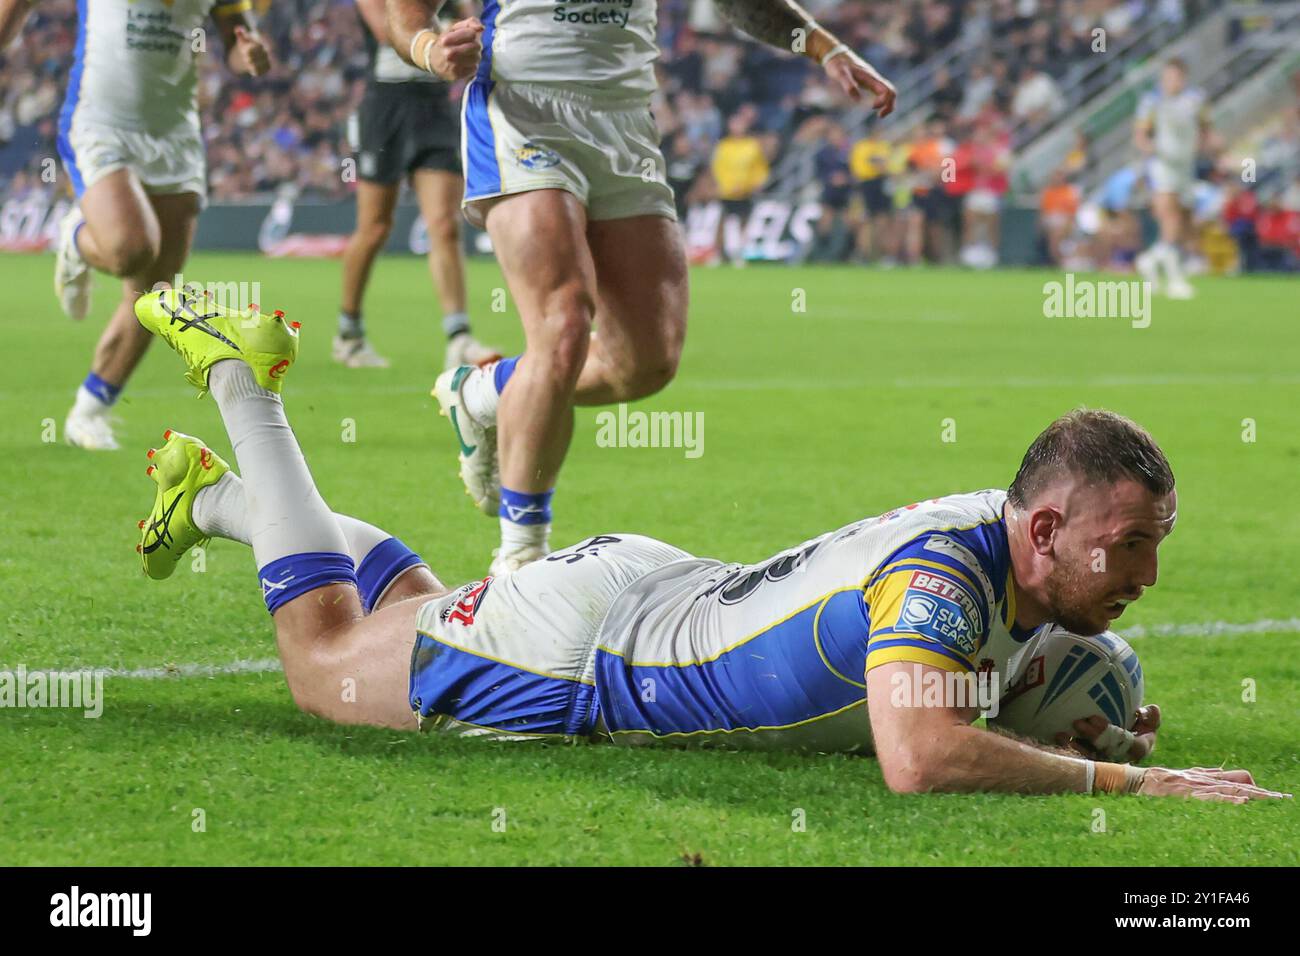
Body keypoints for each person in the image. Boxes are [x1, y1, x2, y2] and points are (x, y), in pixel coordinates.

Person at [129, 287, 1289, 803]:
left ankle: (219, 503)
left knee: (412, 606)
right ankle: (242, 378)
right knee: (326, 662)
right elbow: (920, 756)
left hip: (644, 591)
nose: (1144, 573)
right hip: (587, 658)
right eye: (1127, 545)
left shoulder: (998, 541)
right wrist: (1130, 779)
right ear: (1043, 527)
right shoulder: (941, 576)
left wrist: (1083, 704)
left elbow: (986, 679)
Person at [383, 0, 896, 575]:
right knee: (565, 322)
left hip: (624, 124)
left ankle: (483, 391)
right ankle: (522, 559)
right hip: (522, 109)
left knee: (645, 364)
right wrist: (428, 49)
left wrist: (825, 48)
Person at [0, 0, 273, 450]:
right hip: (101, 123)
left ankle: (90, 410)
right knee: (131, 250)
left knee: (156, 294)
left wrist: (251, 53)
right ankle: (75, 237)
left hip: (176, 133)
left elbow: (237, 41)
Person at [336, 0, 498, 370]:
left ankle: (459, 337)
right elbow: (389, 31)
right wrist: (450, 36)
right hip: (386, 106)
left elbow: (472, 20)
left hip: (434, 105)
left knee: (444, 224)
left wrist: (463, 30)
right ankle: (349, 331)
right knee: (375, 228)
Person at [1134, 59, 1209, 299]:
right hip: (1162, 165)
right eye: (1167, 77)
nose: (1171, 82)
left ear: (1183, 78)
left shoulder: (1195, 99)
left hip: (1185, 166)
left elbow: (1205, 127)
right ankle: (1175, 279)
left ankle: (1150, 260)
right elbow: (1140, 135)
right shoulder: (1152, 101)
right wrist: (1150, 150)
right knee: (1170, 217)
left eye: (1175, 77)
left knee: (1184, 220)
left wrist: (1205, 147)